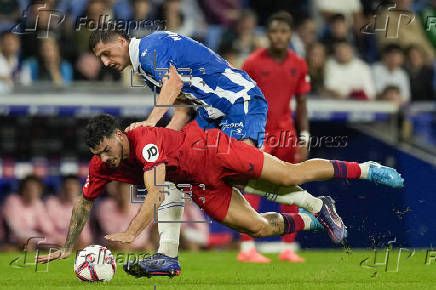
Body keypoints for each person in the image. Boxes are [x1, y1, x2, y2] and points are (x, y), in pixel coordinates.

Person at [37, 114, 404, 278]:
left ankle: (366, 168)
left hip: (213, 150)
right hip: (198, 183)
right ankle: (315, 216)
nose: (105, 158)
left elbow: (152, 193)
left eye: (107, 149)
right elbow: (85, 201)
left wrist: (133, 233)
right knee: (256, 229)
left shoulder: (143, 141)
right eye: (98, 154)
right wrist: (69, 246)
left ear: (118, 135)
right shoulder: (102, 166)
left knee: (290, 174)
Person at [88, 26, 272, 275]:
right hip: (211, 113)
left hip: (236, 101)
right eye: (100, 58)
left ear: (121, 41)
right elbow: (183, 108)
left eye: (106, 53)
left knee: (240, 173)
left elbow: (173, 84)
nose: (105, 62)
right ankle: (167, 254)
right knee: (174, 172)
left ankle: (309, 201)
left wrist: (149, 124)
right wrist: (163, 145)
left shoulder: (147, 50)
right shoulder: (146, 64)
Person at [241, 11, 310, 263]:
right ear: (267, 35)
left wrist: (304, 136)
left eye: (283, 31)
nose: (279, 36)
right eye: (274, 32)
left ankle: (288, 248)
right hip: (259, 134)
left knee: (289, 187)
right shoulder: (252, 63)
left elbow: (302, 103)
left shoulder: (299, 64)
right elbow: (243, 100)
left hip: (287, 134)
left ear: (290, 34)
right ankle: (247, 248)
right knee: (253, 187)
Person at [46, 175, 93, 249]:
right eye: (67, 188)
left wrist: (83, 242)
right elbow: (48, 230)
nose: (70, 190)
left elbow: (85, 234)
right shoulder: (51, 202)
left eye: (73, 188)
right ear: (61, 189)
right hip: (53, 242)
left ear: (78, 189)